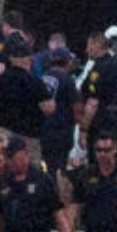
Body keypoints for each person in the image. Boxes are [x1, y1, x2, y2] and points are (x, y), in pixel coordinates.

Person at [0, 36, 55, 164]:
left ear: (11, 59)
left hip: (2, 134)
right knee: (28, 173)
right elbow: (48, 108)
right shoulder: (35, 82)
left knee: (1, 169)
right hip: (27, 139)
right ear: (29, 59)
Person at [79, 32, 117, 162]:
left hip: (100, 124)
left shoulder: (99, 68)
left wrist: (83, 130)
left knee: (97, 163)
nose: (86, 50)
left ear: (97, 45)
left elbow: (92, 103)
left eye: (89, 46)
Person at [40, 46, 79, 180]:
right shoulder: (68, 81)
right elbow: (76, 106)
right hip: (61, 133)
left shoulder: (42, 77)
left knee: (41, 167)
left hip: (42, 131)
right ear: (67, 61)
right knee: (57, 171)